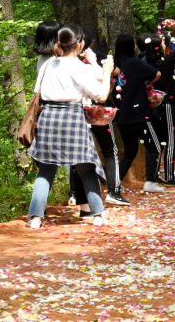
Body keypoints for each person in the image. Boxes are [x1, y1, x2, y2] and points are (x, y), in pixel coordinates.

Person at [27, 24, 115, 229]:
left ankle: (35, 218)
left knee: (46, 171)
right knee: (86, 167)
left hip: (48, 116)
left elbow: (37, 91)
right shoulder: (78, 66)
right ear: (79, 43)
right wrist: (107, 72)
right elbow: (101, 96)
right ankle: (98, 215)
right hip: (72, 116)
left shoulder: (48, 64)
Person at [69, 29, 129, 208]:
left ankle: (73, 194)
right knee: (110, 150)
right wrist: (105, 67)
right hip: (98, 110)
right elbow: (115, 72)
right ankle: (114, 191)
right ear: (90, 43)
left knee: (77, 154)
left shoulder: (67, 60)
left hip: (78, 111)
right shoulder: (94, 56)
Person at [114, 34, 164, 193]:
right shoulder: (134, 62)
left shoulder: (116, 65)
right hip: (138, 113)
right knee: (154, 147)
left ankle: (115, 183)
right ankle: (151, 181)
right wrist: (147, 82)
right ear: (130, 47)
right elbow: (157, 74)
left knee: (130, 150)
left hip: (122, 115)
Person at [146, 19, 175, 187]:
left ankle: (156, 174)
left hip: (153, 107)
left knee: (158, 141)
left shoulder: (148, 62)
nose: (169, 45)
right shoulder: (166, 62)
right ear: (160, 46)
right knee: (171, 141)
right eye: (166, 42)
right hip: (165, 106)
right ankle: (170, 176)